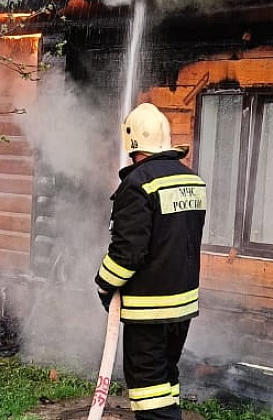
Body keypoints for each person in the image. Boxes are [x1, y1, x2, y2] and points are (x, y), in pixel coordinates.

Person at [95, 102, 207, 420]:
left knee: (148, 392)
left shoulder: (137, 185)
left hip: (149, 308)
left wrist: (104, 284)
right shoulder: (192, 181)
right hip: (182, 306)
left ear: (131, 143)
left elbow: (127, 253)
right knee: (166, 380)